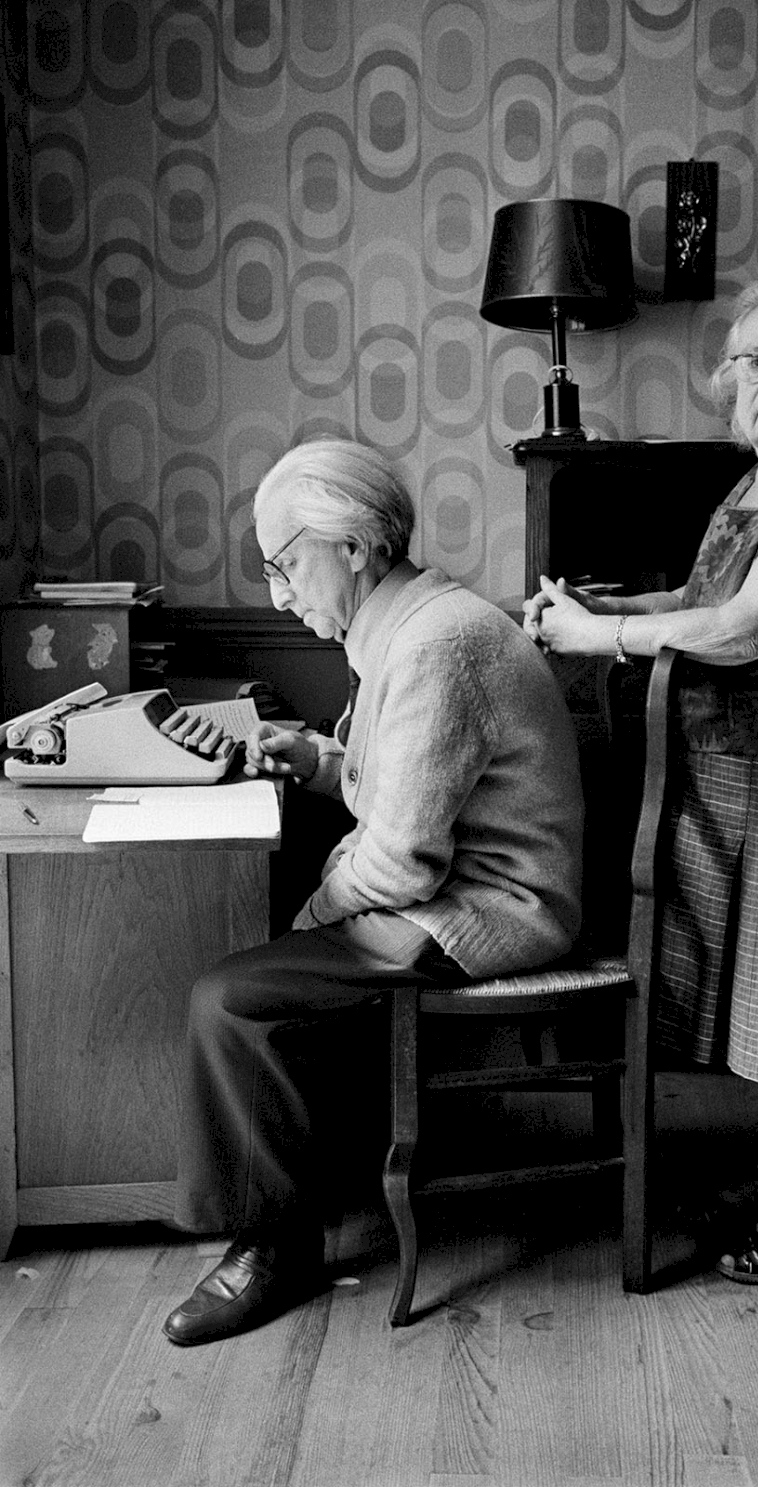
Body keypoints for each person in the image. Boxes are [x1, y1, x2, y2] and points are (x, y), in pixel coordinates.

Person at [524, 278, 758, 1285]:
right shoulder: (754, 477)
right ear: (727, 380)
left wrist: (599, 633)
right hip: (739, 759)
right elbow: (708, 599)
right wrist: (609, 602)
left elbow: (752, 625)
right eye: (752, 360)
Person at [162, 438, 584, 1345]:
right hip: (454, 887)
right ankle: (312, 1183)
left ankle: (276, 1246)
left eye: (284, 565)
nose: (278, 595)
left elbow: (400, 863)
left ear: (354, 547)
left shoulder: (437, 643)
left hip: (488, 910)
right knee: (270, 966)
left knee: (232, 997)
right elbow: (405, 782)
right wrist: (320, 761)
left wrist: (308, 918)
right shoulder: (408, 621)